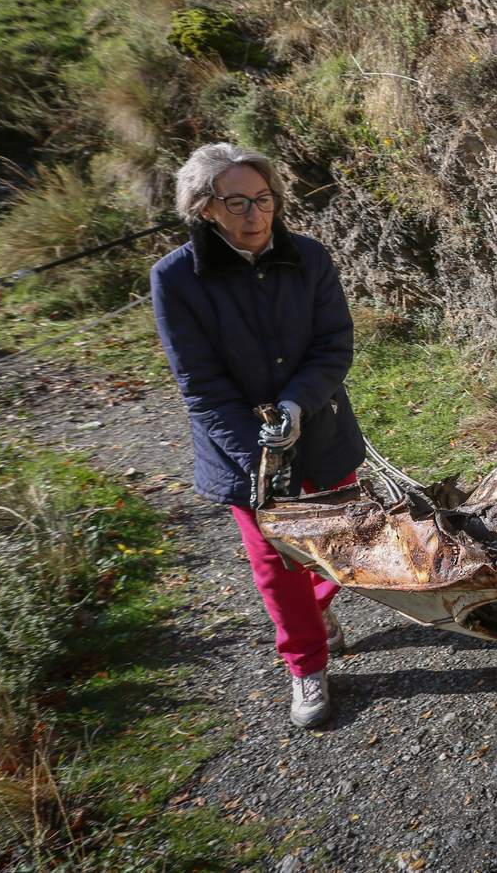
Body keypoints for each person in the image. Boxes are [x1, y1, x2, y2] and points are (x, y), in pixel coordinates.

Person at [151, 143, 366, 729]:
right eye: (237, 202)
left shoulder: (311, 258)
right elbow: (200, 382)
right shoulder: (174, 279)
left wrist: (297, 405)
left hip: (321, 428)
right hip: (240, 449)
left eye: (264, 199)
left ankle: (318, 614)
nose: (255, 214)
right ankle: (305, 664)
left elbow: (333, 346)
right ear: (205, 209)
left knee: (333, 546)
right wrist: (263, 458)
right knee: (276, 561)